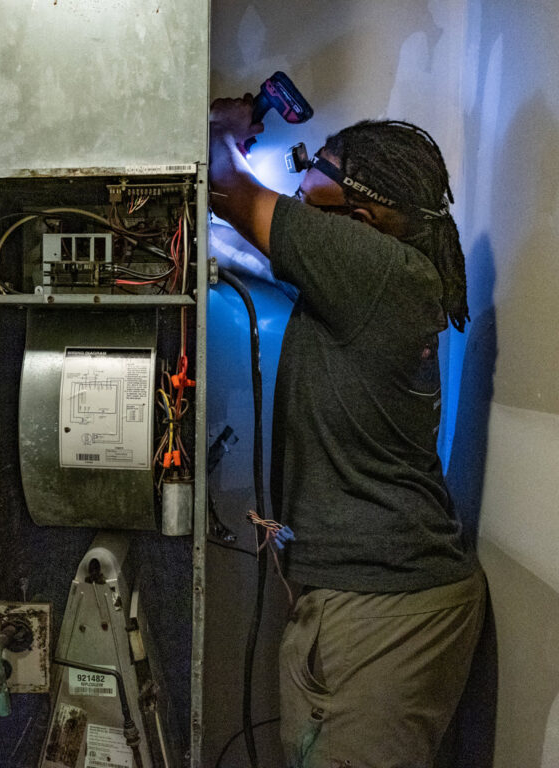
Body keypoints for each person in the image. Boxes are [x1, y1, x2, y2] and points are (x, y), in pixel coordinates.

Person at [209, 96, 485, 767]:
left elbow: (225, 185)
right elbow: (245, 239)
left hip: (384, 607)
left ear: (362, 215)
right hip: (370, 595)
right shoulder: (379, 274)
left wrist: (225, 128)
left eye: (315, 173)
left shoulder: (373, 268)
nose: (298, 186)